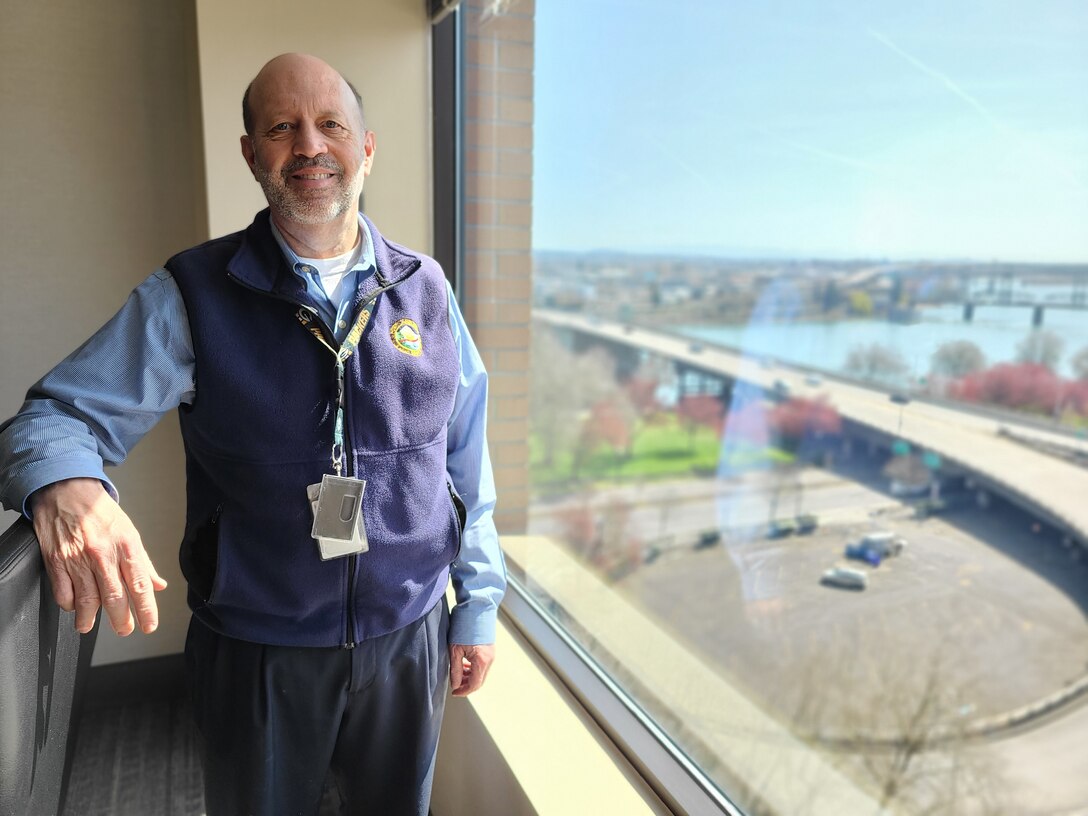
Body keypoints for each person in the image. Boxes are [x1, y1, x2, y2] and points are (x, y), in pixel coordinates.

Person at [0, 53, 506, 816]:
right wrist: (69, 485)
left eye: (331, 125)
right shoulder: (191, 295)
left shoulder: (426, 291)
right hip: (259, 650)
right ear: (250, 153)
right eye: (281, 127)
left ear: (365, 148)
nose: (309, 145)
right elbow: (50, 417)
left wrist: (477, 605)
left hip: (411, 637)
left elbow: (466, 464)